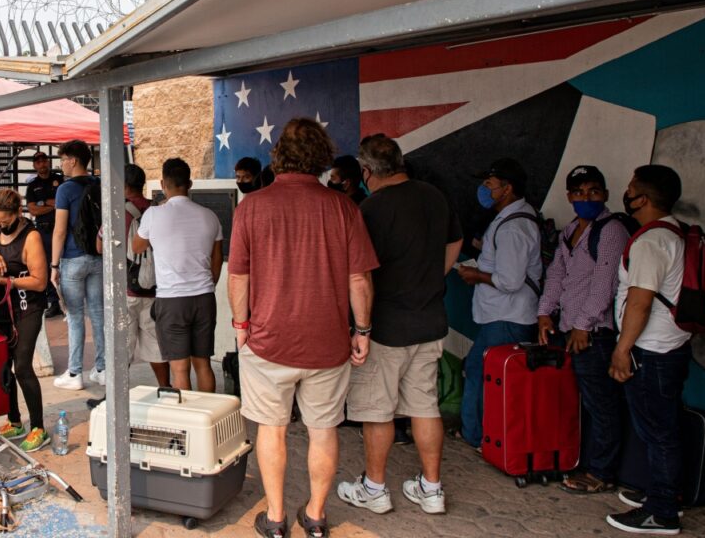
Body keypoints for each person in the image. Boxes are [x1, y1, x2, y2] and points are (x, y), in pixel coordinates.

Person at [228, 118, 379, 538]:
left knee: (270, 430)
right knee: (323, 430)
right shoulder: (343, 207)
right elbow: (359, 280)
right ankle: (314, 517)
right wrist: (362, 331)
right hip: (327, 343)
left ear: (279, 157)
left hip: (267, 341)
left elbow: (238, 277)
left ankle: (275, 519)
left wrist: (241, 325)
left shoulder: (251, 206)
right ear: (320, 157)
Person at [337, 134, 462, 516]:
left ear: (366, 171)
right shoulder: (434, 196)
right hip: (430, 322)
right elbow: (455, 243)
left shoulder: (372, 210)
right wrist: (431, 278)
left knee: (378, 411)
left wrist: (358, 327)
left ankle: (374, 489)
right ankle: (432, 489)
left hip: (387, 327)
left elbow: (360, 275)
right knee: (425, 407)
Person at [537, 165, 631, 495]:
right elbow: (556, 277)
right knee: (584, 403)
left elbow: (605, 284)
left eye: (593, 191)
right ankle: (585, 461)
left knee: (602, 405)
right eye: (578, 192)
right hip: (569, 330)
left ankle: (601, 472)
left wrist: (582, 325)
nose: (586, 197)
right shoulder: (570, 232)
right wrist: (544, 313)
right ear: (569, 197)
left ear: (604, 194)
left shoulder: (611, 230)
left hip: (594, 334)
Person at [606, 165, 689, 535]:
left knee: (658, 431)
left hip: (651, 349)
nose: (627, 193)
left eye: (631, 188)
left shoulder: (652, 241)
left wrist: (622, 350)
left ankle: (662, 512)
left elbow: (640, 302)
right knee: (661, 426)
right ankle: (663, 494)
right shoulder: (673, 233)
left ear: (643, 198)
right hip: (669, 345)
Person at [455, 157, 541, 449]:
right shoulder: (509, 219)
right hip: (501, 316)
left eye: (488, 184)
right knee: (484, 372)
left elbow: (509, 281)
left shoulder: (514, 228)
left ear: (507, 188)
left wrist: (476, 275)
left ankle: (477, 436)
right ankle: (480, 434)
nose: (483, 189)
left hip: (508, 317)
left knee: (482, 374)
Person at [0, 188, 50, 452]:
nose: (1, 225)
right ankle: (14, 420)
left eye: (6, 221)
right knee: (3, 365)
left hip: (26, 307)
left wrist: (6, 282)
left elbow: (40, 282)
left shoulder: (32, 237)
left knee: (23, 366)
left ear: (18, 213)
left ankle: (38, 427)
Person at [134, 158, 223, 392]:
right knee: (203, 364)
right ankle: (208, 420)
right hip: (204, 297)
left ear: (163, 183)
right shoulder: (209, 216)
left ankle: (186, 423)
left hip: (172, 299)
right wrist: (207, 285)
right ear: (189, 184)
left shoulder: (153, 214)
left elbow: (136, 247)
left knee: (180, 369)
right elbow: (216, 262)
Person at [98, 163, 170, 387]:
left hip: (125, 289)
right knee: (156, 345)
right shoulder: (156, 209)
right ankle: (165, 387)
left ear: (124, 186)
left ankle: (116, 396)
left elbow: (100, 247)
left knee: (122, 346)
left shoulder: (118, 212)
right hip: (154, 287)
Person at [50, 139, 105, 391]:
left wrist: (53, 265)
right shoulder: (100, 184)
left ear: (73, 160)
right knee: (97, 313)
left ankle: (74, 373)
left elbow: (60, 231)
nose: (61, 165)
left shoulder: (65, 190)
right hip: (98, 256)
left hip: (73, 258)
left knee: (74, 316)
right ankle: (103, 369)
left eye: (63, 160)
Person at [24, 151, 64, 318]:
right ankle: (54, 301)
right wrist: (51, 205)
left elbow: (63, 203)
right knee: (48, 264)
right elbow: (33, 210)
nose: (41, 164)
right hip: (45, 230)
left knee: (64, 262)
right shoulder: (33, 185)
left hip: (61, 227)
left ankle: (67, 299)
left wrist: (45, 204)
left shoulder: (59, 180)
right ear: (34, 165)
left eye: (44, 160)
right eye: (38, 162)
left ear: (48, 162)